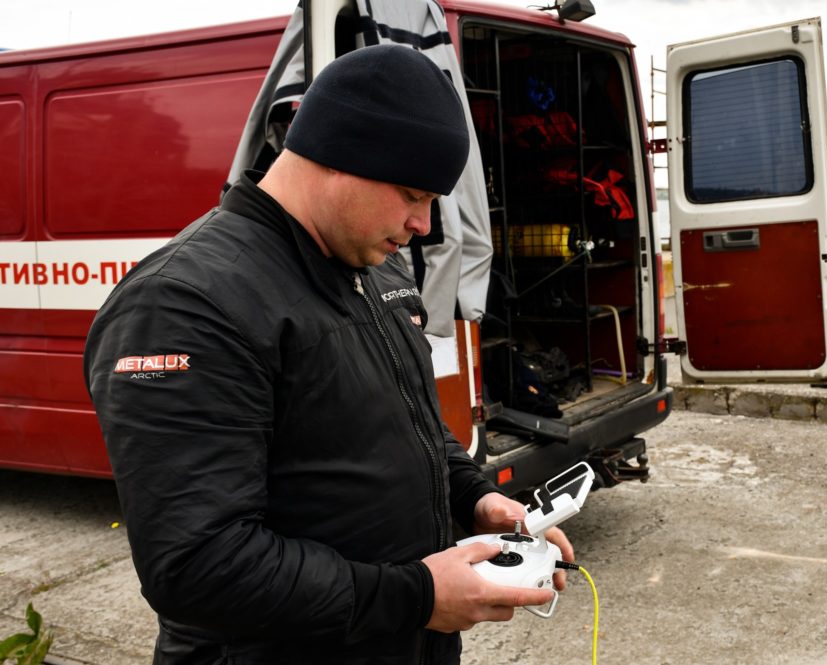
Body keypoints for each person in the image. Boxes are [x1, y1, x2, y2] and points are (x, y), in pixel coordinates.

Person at [84, 44, 573, 665]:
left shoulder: (372, 262)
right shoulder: (186, 305)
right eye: (412, 194)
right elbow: (199, 566)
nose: (423, 225)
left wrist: (474, 498)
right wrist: (418, 596)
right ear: (340, 156)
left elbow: (407, 426)